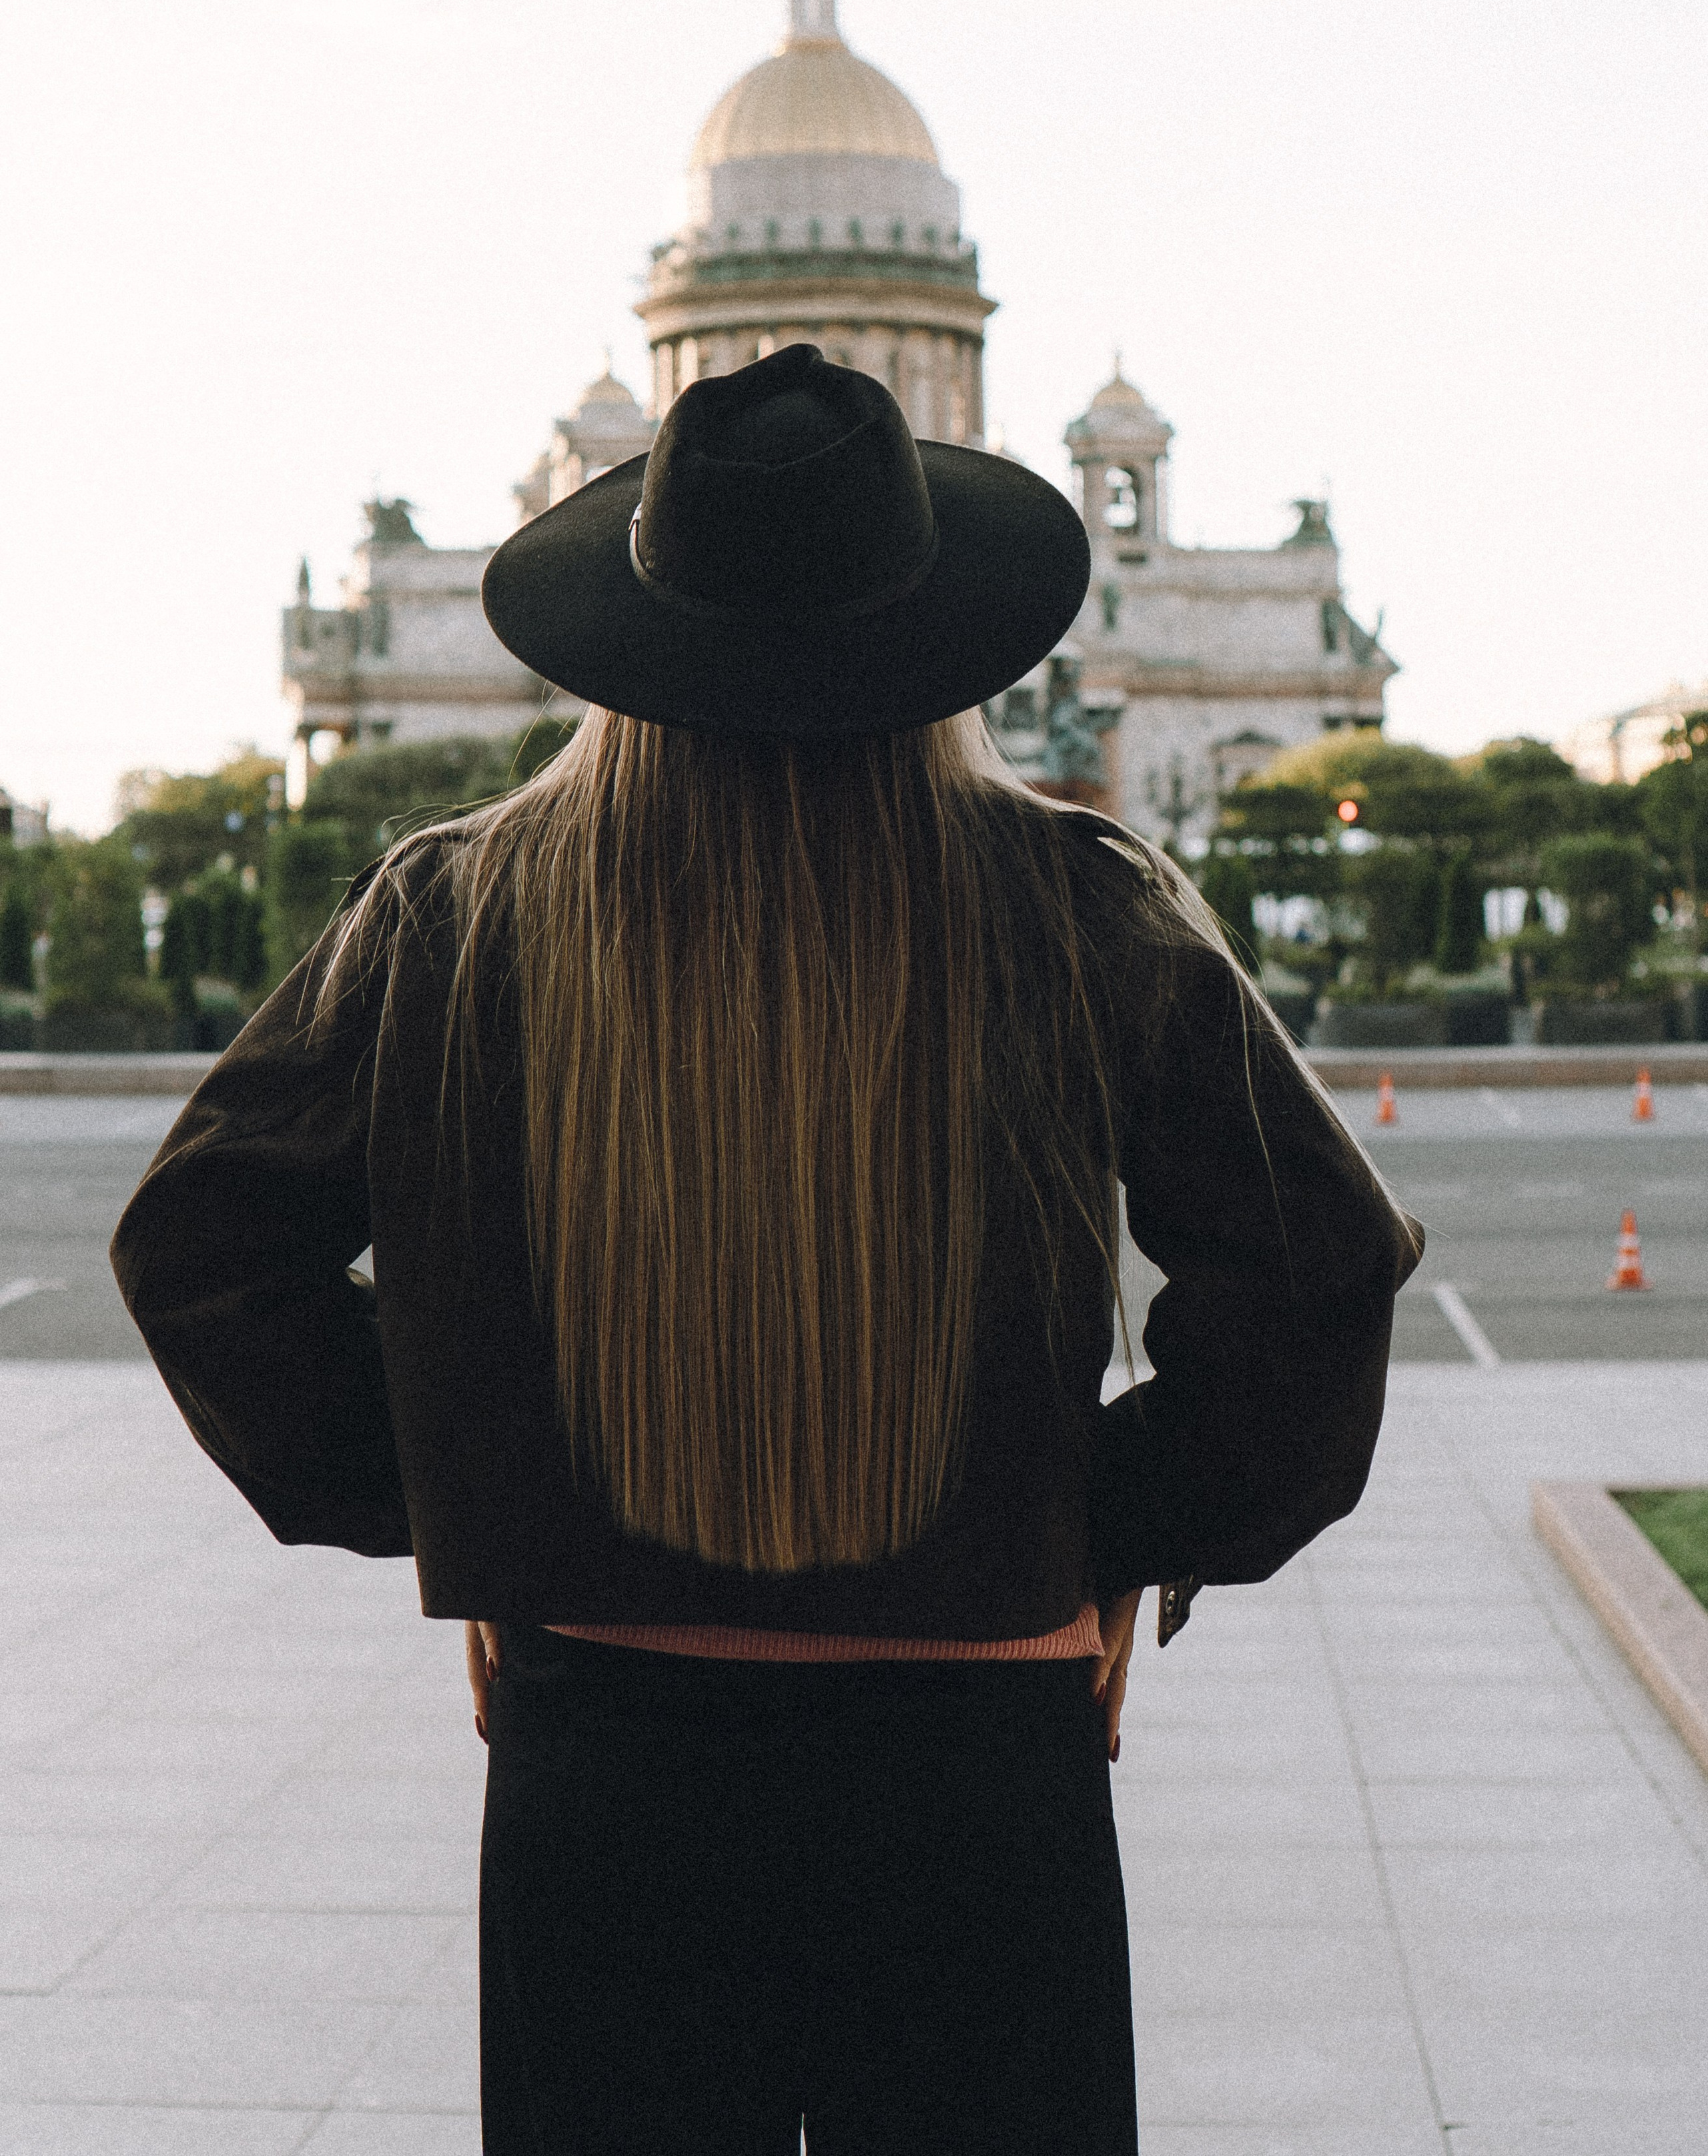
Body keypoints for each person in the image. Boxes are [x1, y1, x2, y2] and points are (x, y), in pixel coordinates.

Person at [113, 345, 1422, 2155]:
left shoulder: (458, 904)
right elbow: (1313, 1278)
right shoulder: (1083, 907)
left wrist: (499, 1510)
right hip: (982, 1778)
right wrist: (1108, 1536)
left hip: (607, 1771)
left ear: (628, 627)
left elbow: (205, 1254)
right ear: (944, 629)